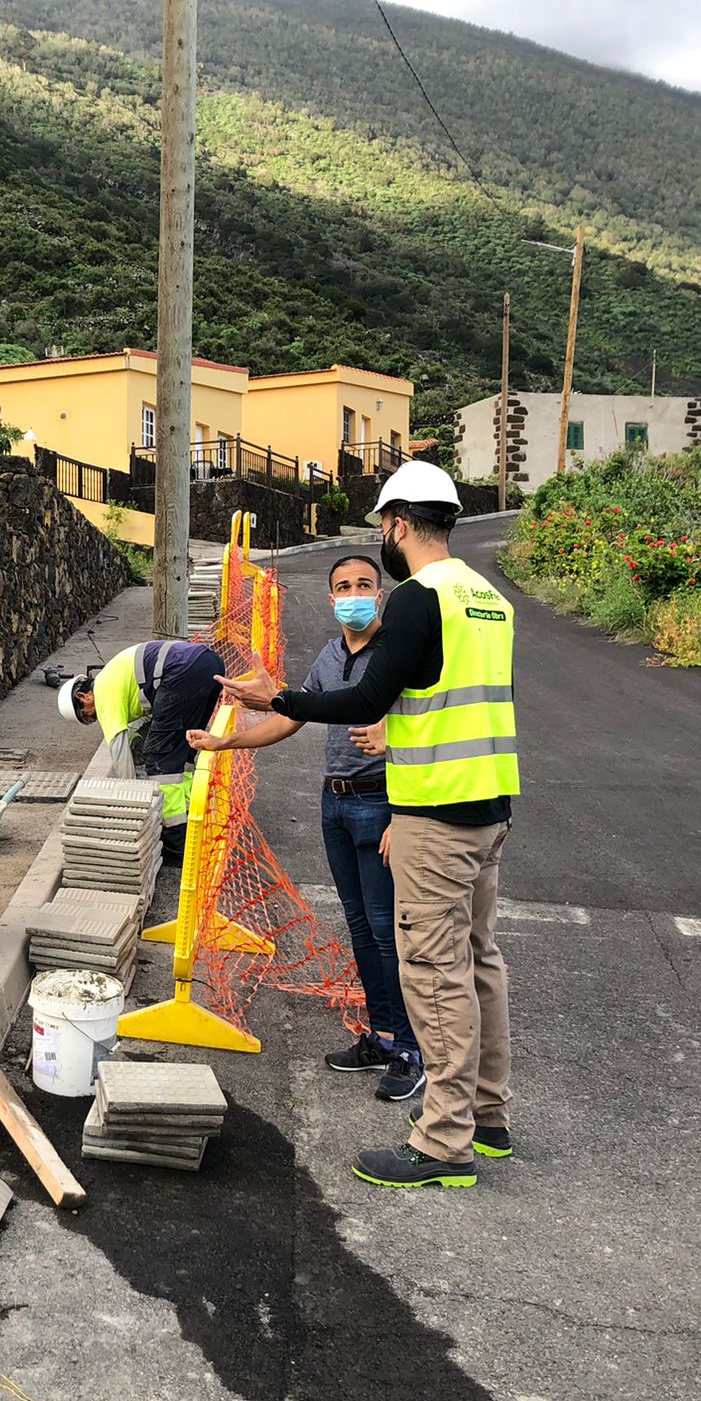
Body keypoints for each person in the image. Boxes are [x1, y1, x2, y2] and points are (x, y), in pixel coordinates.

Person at [218, 460, 518, 1190]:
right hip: (489, 806)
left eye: (382, 527)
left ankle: (444, 1142)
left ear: (398, 524)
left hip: (434, 813)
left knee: (433, 972)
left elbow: (366, 699)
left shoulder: (421, 597)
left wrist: (279, 694)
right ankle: (488, 1117)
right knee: (479, 961)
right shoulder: (489, 598)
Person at [186, 553, 425, 1100]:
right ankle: (383, 1035)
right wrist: (228, 741)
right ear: (331, 598)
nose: (355, 593)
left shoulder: (400, 654)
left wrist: (407, 813)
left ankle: (412, 1049)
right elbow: (292, 716)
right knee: (361, 927)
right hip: (335, 804)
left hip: (383, 804)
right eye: (344, 586)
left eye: (365, 584)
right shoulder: (329, 655)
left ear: (381, 594)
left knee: (392, 934)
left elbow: (427, 725)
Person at [57, 638, 226, 853]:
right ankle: (192, 819)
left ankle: (176, 841)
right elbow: (151, 719)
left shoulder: (102, 692)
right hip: (207, 663)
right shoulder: (115, 676)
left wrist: (131, 803)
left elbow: (118, 749)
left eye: (86, 715)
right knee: (184, 748)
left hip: (181, 671)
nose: (93, 718)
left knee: (159, 757)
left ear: (84, 696)